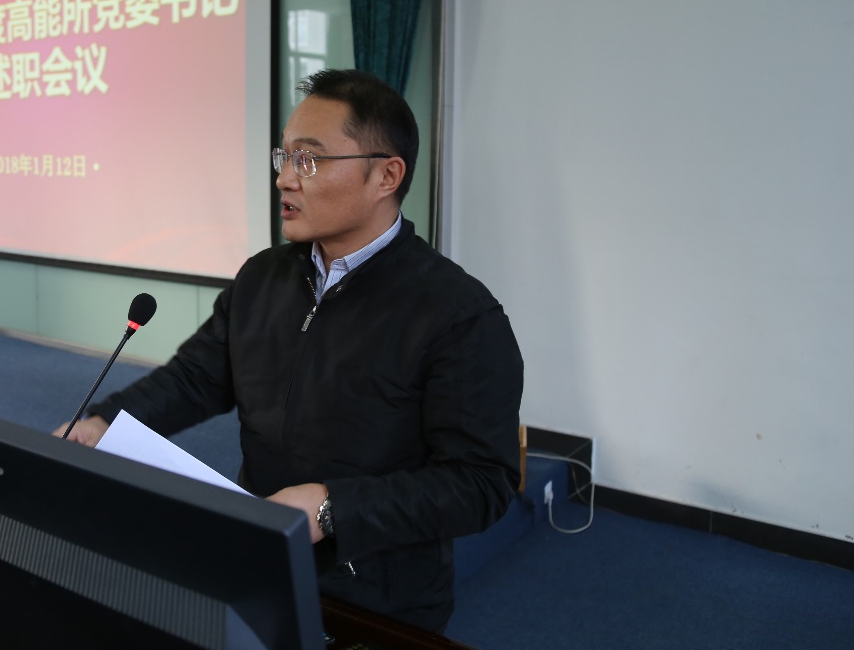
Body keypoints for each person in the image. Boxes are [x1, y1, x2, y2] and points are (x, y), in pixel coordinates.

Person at [57, 68, 524, 634]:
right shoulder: (264, 277)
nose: (284, 179)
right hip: (256, 560)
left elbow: (480, 483)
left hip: (374, 600)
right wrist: (105, 423)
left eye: (309, 159)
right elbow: (196, 378)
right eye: (284, 157)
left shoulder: (457, 314)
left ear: (386, 175)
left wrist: (332, 508)